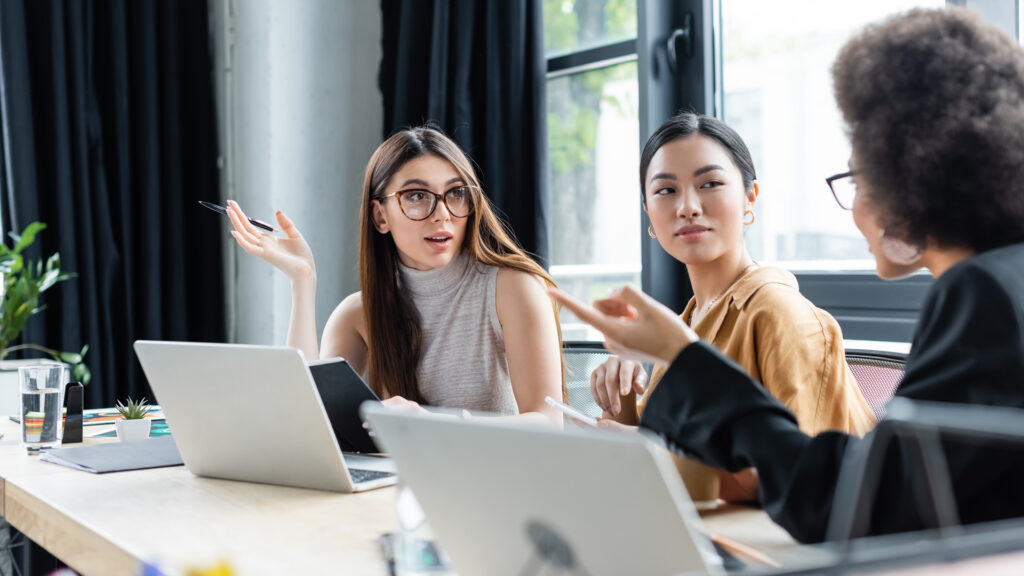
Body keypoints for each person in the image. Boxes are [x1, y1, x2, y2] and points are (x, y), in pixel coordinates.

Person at [551, 7, 1024, 542]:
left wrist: (685, 360)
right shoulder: (1003, 283)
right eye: (664, 190)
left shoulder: (980, 293)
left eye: (858, 175)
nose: (688, 207)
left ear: (913, 175)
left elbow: (841, 498)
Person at [592, 112, 875, 502]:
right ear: (648, 215)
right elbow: (642, 464)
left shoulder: (779, 312)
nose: (687, 207)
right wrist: (621, 397)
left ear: (749, 197)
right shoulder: (686, 322)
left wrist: (651, 449)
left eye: (710, 184)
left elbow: (804, 479)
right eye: (665, 191)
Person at [227, 126, 563, 421]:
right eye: (417, 196)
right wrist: (302, 282)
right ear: (380, 217)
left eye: (456, 194)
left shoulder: (512, 287)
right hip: (397, 487)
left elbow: (548, 421)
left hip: (489, 484)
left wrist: (437, 424)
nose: (442, 214)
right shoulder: (358, 314)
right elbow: (306, 421)